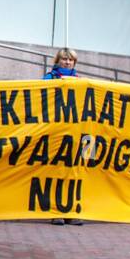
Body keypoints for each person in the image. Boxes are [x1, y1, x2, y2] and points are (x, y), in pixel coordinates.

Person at [43, 47, 81, 224]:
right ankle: (56, 211)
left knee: (75, 171)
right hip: (55, 131)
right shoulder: (48, 78)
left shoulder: (81, 82)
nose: (67, 62)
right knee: (55, 171)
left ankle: (72, 210)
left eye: (70, 60)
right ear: (58, 61)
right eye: (64, 59)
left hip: (75, 133)